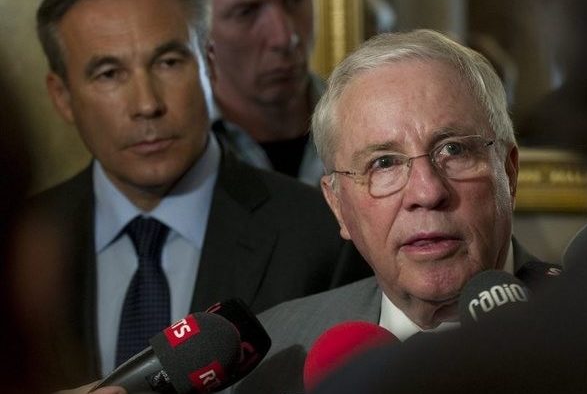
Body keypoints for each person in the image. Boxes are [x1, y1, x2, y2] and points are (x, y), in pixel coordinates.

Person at [32, 0, 369, 389]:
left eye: (168, 62)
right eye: (109, 74)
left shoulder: (322, 236)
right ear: (62, 96)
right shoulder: (21, 241)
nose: (147, 104)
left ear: (209, 66)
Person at [228, 29, 552, 394]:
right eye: (383, 163)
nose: (427, 192)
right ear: (338, 206)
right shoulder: (274, 355)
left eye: (454, 150)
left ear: (509, 172)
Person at [202, 0, 324, 185]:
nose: (284, 38)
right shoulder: (183, 150)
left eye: (295, 0)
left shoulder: (361, 118)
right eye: (246, 12)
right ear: (202, 32)